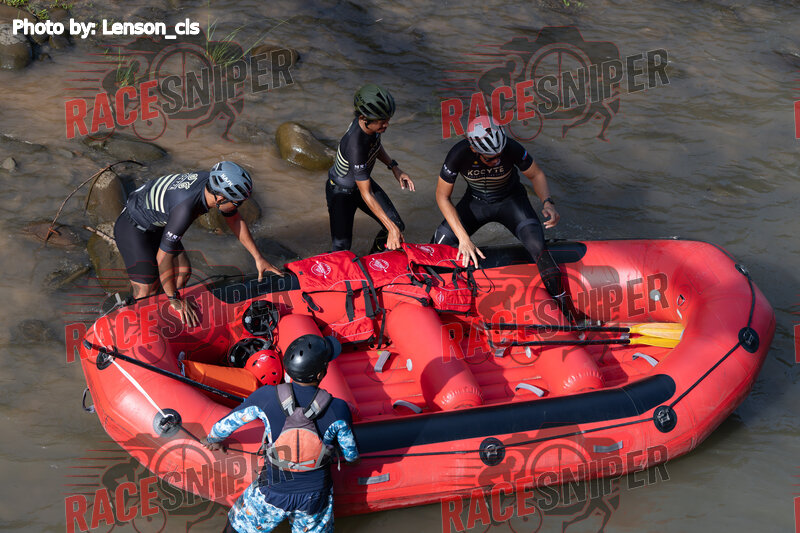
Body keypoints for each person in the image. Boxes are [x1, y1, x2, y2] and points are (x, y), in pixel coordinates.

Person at [432, 115, 583, 323]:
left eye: (499, 155)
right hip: (475, 204)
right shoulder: (458, 154)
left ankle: (568, 314)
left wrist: (548, 202)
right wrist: (463, 239)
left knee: (538, 247)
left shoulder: (511, 147)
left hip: (511, 202)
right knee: (437, 245)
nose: (496, 160)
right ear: (474, 149)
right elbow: (442, 196)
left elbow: (536, 174)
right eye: (490, 158)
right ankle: (435, 306)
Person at [202, 334, 359, 533]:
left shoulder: (266, 396)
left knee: (235, 529)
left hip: (272, 490)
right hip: (314, 496)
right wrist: (352, 461)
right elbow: (350, 453)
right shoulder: (338, 408)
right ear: (321, 374)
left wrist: (213, 439)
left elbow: (226, 424)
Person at [113, 161, 281, 326]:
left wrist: (258, 258)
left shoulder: (211, 185)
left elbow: (235, 220)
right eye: (238, 202)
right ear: (220, 198)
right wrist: (174, 299)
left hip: (157, 219)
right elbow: (163, 258)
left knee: (183, 271)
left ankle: (170, 308)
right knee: (146, 291)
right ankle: (134, 320)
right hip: (132, 227)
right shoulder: (185, 210)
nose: (240, 206)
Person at [326, 83, 415, 253]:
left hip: (362, 182)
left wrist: (394, 167)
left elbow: (374, 145)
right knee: (342, 249)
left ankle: (374, 260)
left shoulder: (370, 126)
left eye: (388, 120)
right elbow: (366, 193)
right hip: (341, 193)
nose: (386, 125)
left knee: (396, 225)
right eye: (382, 122)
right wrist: (391, 228)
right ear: (364, 118)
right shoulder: (355, 144)